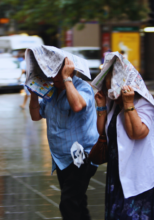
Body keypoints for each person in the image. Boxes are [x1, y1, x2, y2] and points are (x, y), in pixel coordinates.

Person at [94, 70, 154, 220]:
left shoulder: (143, 102)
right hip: (118, 173)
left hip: (139, 174)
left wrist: (128, 104)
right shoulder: (113, 104)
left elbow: (137, 133)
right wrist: (101, 106)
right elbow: (102, 131)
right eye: (108, 89)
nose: (111, 94)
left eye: (114, 89)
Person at [29, 57, 98, 220]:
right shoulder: (52, 92)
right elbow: (36, 115)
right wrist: (33, 94)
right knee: (78, 202)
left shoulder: (83, 88)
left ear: (69, 72)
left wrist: (67, 80)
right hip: (61, 157)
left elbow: (77, 105)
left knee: (69, 203)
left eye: (57, 73)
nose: (53, 77)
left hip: (82, 155)